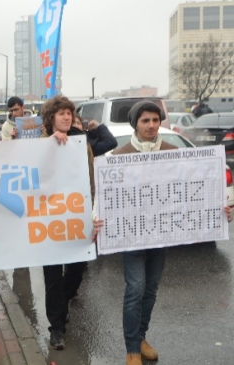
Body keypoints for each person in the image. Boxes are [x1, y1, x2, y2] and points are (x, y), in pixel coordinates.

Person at [92, 100, 232, 365]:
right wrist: (96, 219)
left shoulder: (174, 152)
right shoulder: (118, 156)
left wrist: (220, 211)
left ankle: (141, 337)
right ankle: (132, 347)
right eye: (145, 120)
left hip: (162, 235)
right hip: (131, 236)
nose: (151, 125)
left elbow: (199, 189)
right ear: (136, 123)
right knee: (135, 288)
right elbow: (103, 198)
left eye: (155, 120)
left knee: (151, 289)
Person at [39, 95, 95, 351]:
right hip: (48, 218)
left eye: (69, 113)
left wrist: (92, 211)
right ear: (51, 118)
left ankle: (61, 303)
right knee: (51, 276)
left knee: (76, 269)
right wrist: (49, 145)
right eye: (61, 113)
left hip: (75, 215)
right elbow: (32, 171)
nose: (66, 117)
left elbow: (90, 176)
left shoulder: (81, 143)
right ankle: (56, 328)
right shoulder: (38, 143)